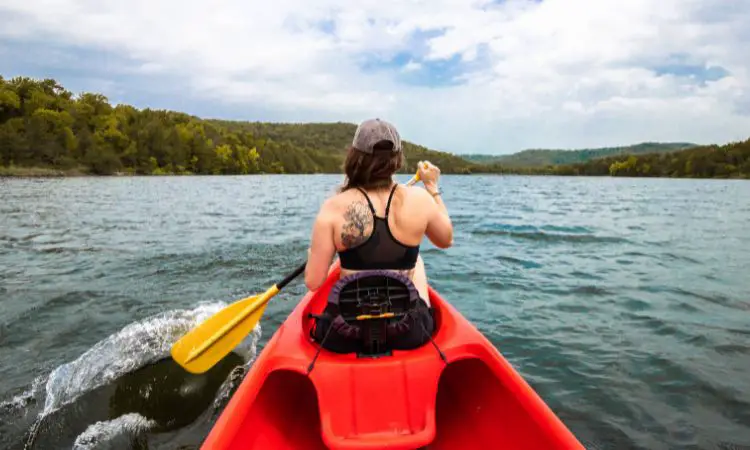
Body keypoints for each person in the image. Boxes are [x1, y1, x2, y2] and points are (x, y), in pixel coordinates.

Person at [304, 118, 453, 351]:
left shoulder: (333, 207)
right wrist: (432, 188)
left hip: (344, 334)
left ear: (355, 157)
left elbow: (313, 282)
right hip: (410, 331)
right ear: (397, 159)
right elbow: (446, 239)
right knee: (418, 261)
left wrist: (315, 252)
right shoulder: (420, 200)